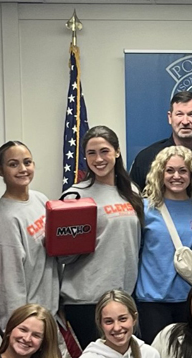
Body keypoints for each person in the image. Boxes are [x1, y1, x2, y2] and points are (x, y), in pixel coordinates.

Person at [60, 126, 145, 345]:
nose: (98, 159)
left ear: (117, 152)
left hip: (123, 298)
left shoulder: (132, 192)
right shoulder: (76, 196)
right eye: (91, 153)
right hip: (87, 300)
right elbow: (62, 255)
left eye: (104, 151)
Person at [135, 146, 192, 340]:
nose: (176, 176)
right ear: (160, 174)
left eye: (183, 170)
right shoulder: (145, 209)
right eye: (170, 170)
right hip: (152, 301)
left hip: (191, 300)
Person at [0, 141, 60, 328]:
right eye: (13, 164)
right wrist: (18, 328)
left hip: (51, 313)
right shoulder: (4, 219)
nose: (22, 169)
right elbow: (6, 286)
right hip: (30, 321)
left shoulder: (40, 199)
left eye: (27, 162)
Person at [129, 91, 192, 206]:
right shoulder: (146, 158)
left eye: (191, 114)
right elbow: (133, 205)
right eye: (179, 114)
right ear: (170, 117)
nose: (185, 122)